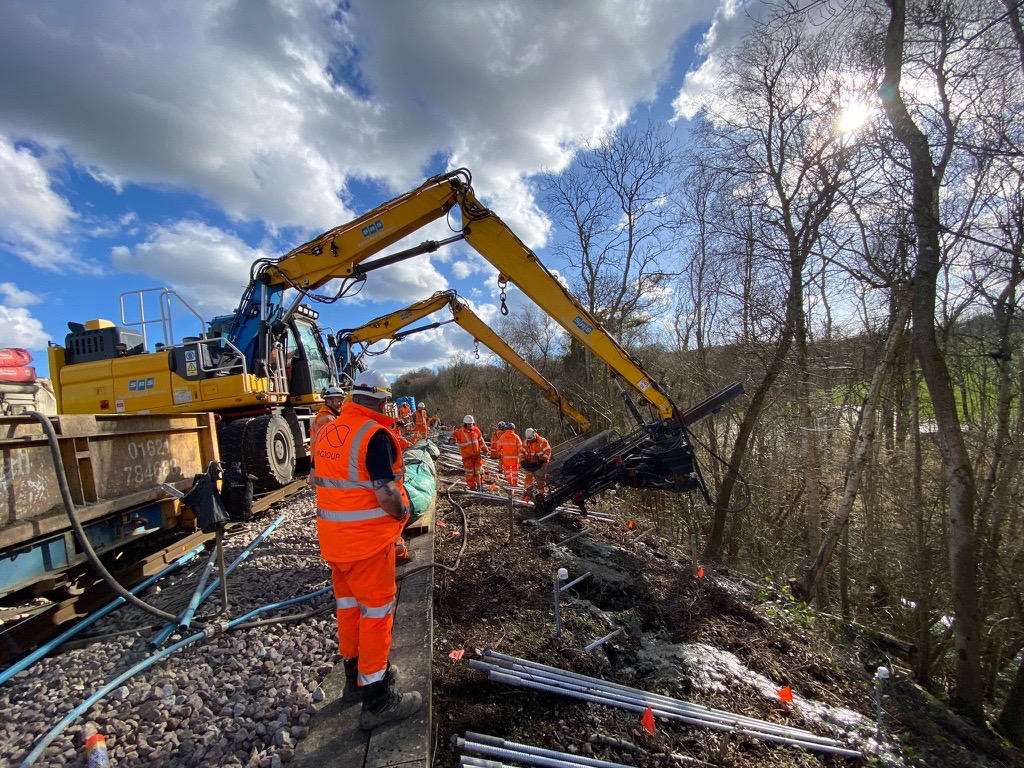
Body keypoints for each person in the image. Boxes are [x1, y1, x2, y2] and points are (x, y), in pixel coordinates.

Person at [311, 369, 422, 729]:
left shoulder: (328, 430)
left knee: (348, 607)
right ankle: (376, 698)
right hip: (367, 543)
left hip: (334, 541)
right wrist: (404, 512)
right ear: (380, 399)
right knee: (376, 613)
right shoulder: (374, 434)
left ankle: (353, 678)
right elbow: (386, 493)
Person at [308, 386, 346, 487]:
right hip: (324, 463)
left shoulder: (330, 416)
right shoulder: (327, 419)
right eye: (338, 401)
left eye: (342, 401)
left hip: (321, 462)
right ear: (329, 402)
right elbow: (333, 446)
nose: (341, 404)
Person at [451, 414, 488, 490]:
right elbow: (454, 435)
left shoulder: (476, 430)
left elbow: (481, 441)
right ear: (465, 424)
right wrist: (452, 440)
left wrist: (485, 449)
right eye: (469, 424)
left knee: (479, 471)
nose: (470, 425)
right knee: (469, 473)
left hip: (476, 456)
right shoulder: (460, 432)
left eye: (471, 423)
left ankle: (480, 485)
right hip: (467, 457)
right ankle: (472, 487)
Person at [520, 427, 552, 503]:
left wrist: (542, 461)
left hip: (540, 465)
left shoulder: (543, 442)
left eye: (531, 438)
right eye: (528, 439)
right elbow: (521, 452)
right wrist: (522, 461)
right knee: (528, 480)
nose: (530, 440)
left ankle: (541, 495)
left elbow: (548, 452)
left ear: (534, 434)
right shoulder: (525, 443)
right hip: (529, 465)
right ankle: (527, 494)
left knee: (541, 481)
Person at [496, 421, 524, 486]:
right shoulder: (516, 437)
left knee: (507, 471)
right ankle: (515, 483)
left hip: (506, 458)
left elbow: (498, 446)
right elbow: (521, 448)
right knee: (515, 472)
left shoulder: (503, 436)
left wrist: (500, 453)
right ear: (513, 429)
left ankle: (509, 482)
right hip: (515, 458)